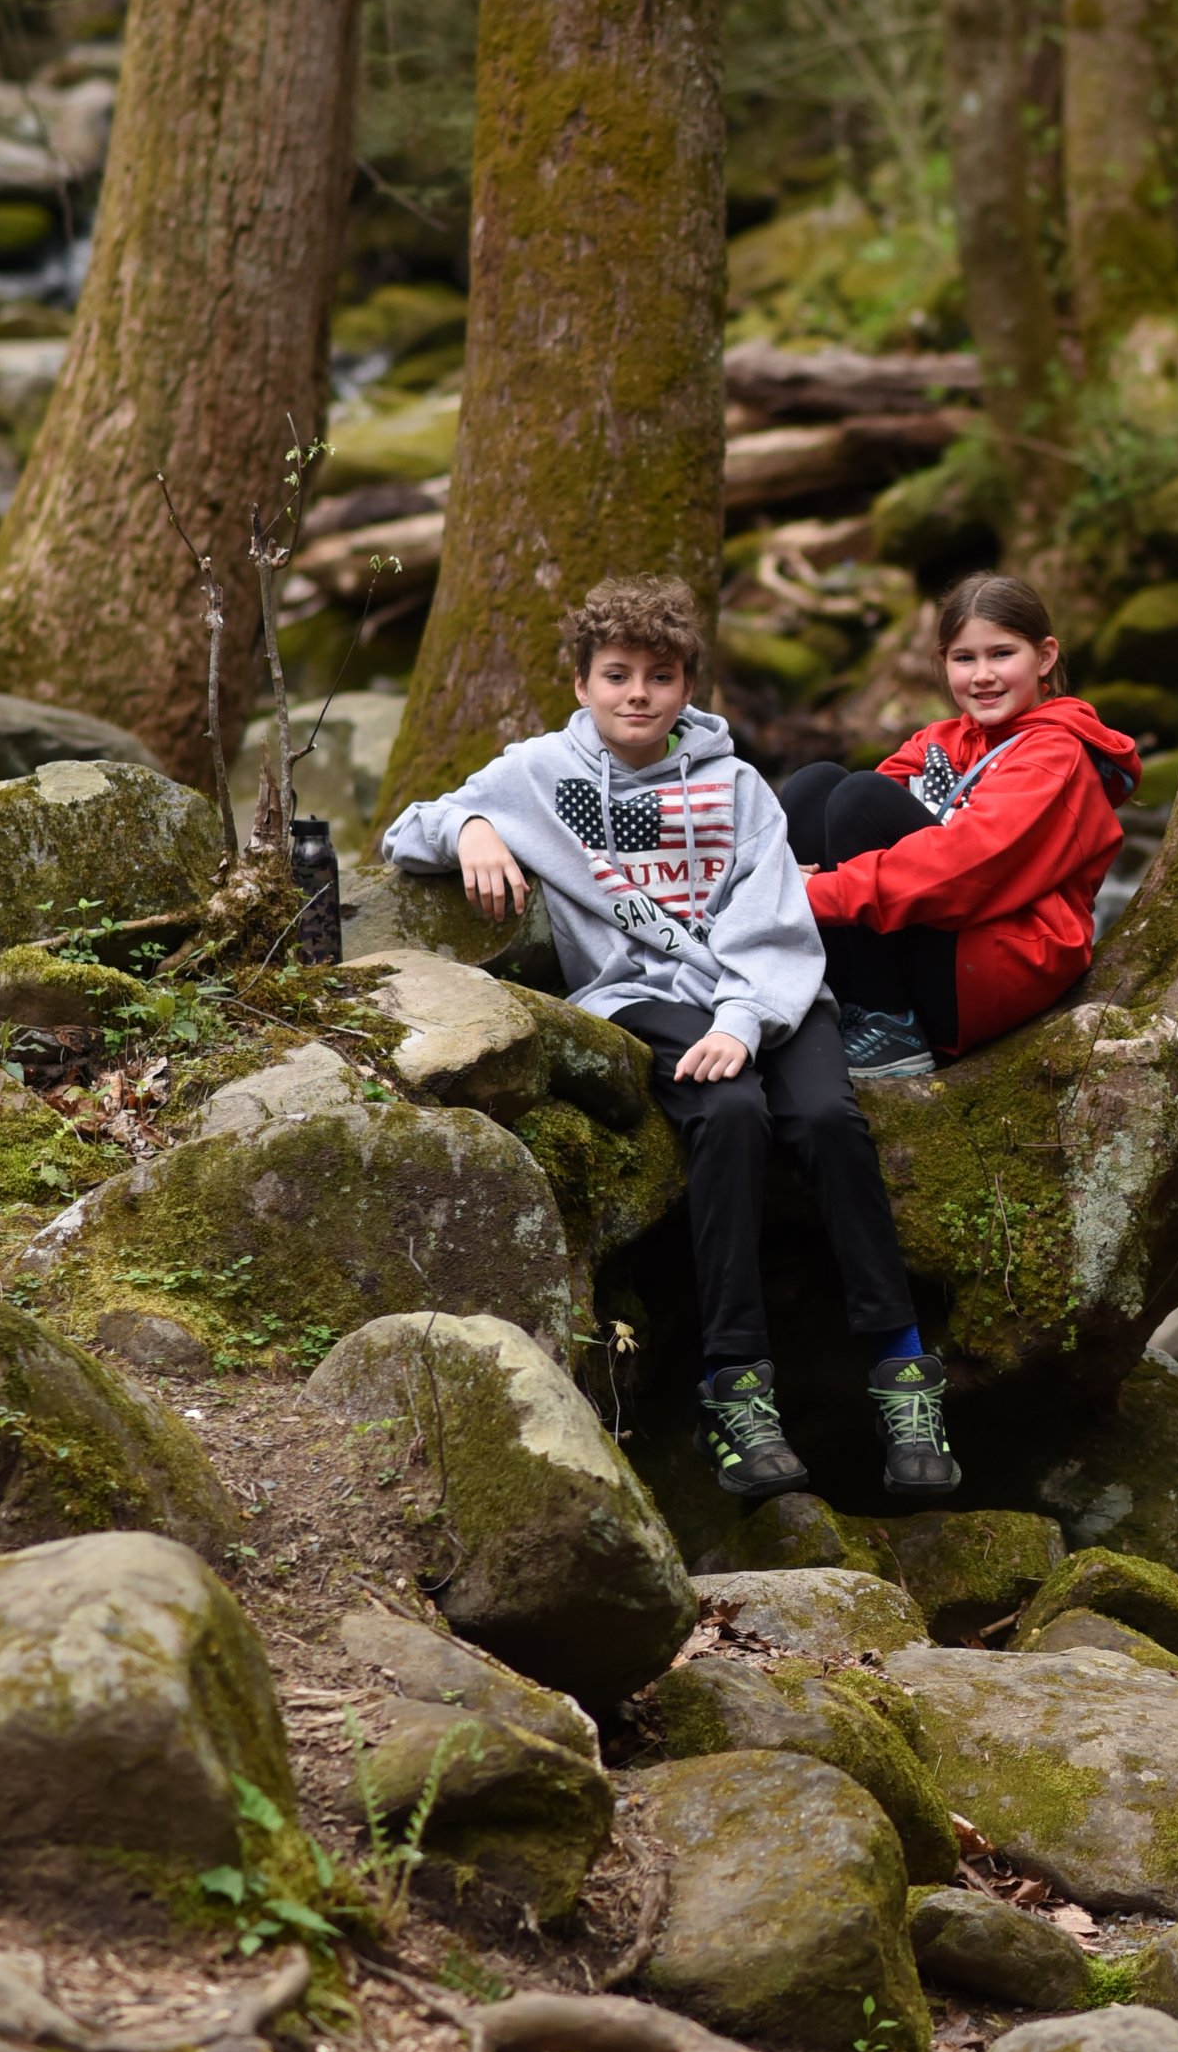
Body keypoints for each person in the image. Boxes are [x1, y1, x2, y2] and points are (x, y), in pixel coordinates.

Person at [377, 574, 958, 1512]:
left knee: (825, 1118)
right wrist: (477, 826)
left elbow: (773, 921)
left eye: (660, 675)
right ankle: (738, 1388)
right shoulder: (538, 777)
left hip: (767, 995)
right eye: (617, 674)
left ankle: (902, 1376)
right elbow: (408, 829)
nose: (637, 693)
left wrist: (741, 1021)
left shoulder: (734, 786)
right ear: (581, 683)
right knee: (730, 1115)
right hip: (644, 995)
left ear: (688, 684)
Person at [778, 571, 1142, 1081]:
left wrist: (811, 894)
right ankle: (816, 997)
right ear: (944, 663)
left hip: (1001, 958)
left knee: (861, 797)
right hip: (949, 940)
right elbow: (844, 822)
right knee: (817, 785)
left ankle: (890, 1026)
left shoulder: (1055, 754)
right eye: (964, 658)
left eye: (1001, 654)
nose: (982, 675)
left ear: (1045, 657)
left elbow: (966, 867)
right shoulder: (942, 738)